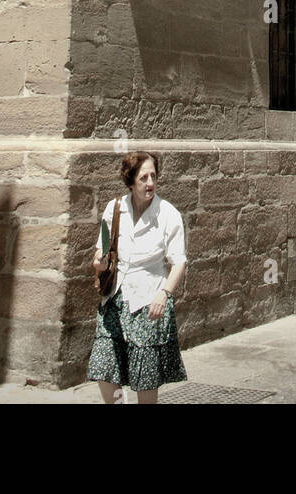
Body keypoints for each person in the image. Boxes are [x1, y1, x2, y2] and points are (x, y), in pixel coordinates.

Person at [86, 151, 188, 404]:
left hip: (148, 299)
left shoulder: (167, 214)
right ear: (130, 181)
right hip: (115, 297)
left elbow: (179, 261)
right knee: (104, 361)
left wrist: (164, 294)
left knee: (145, 372)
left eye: (153, 176)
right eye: (143, 178)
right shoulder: (115, 208)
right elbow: (102, 249)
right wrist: (99, 261)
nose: (150, 183)